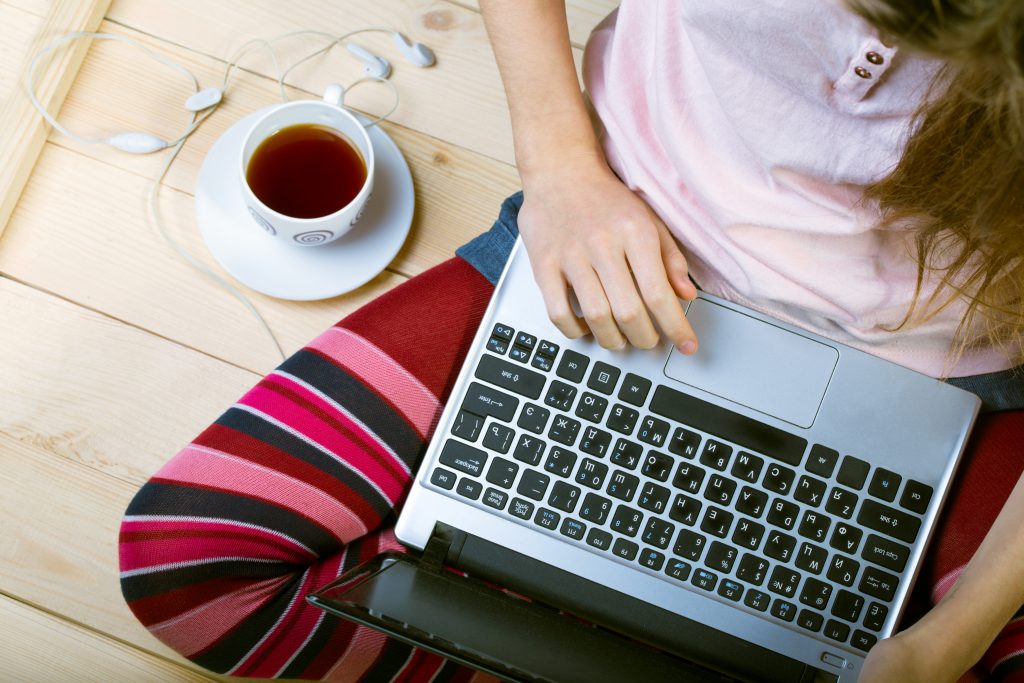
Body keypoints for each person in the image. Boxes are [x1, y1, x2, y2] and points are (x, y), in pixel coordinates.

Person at [119, 0, 1024, 681]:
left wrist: (951, 638)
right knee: (185, 564)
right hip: (618, 230)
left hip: (945, 372)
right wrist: (560, 169)